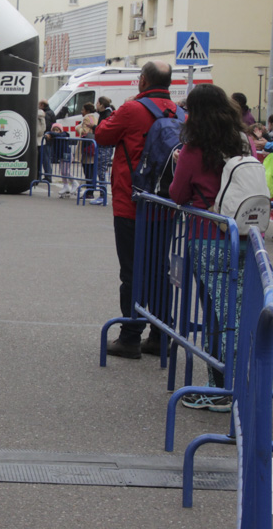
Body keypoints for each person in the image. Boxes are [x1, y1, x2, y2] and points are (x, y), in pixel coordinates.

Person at [168, 84, 254, 412]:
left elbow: (178, 195)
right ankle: (237, 382)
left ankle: (219, 388)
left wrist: (179, 164)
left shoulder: (194, 149)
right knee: (237, 310)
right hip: (245, 234)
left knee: (216, 315)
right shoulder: (244, 143)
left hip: (207, 235)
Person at [94, 61, 175, 358]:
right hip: (165, 204)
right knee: (159, 270)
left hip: (132, 202)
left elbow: (103, 136)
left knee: (131, 271)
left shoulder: (132, 110)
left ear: (142, 81)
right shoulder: (178, 112)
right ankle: (161, 334)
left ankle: (130, 335)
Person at [90, 96, 116, 205]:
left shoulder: (107, 115)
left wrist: (95, 127)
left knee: (101, 170)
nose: (96, 105)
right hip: (103, 146)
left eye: (97, 103)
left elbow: (105, 130)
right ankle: (102, 194)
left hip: (105, 147)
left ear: (101, 104)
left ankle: (102, 195)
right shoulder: (104, 114)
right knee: (100, 170)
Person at [78, 102, 99, 199]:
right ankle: (91, 190)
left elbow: (85, 132)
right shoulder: (96, 117)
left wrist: (78, 128)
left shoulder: (86, 118)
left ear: (87, 111)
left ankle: (89, 191)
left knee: (87, 170)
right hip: (94, 146)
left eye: (83, 109)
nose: (82, 111)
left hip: (87, 146)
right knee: (92, 169)